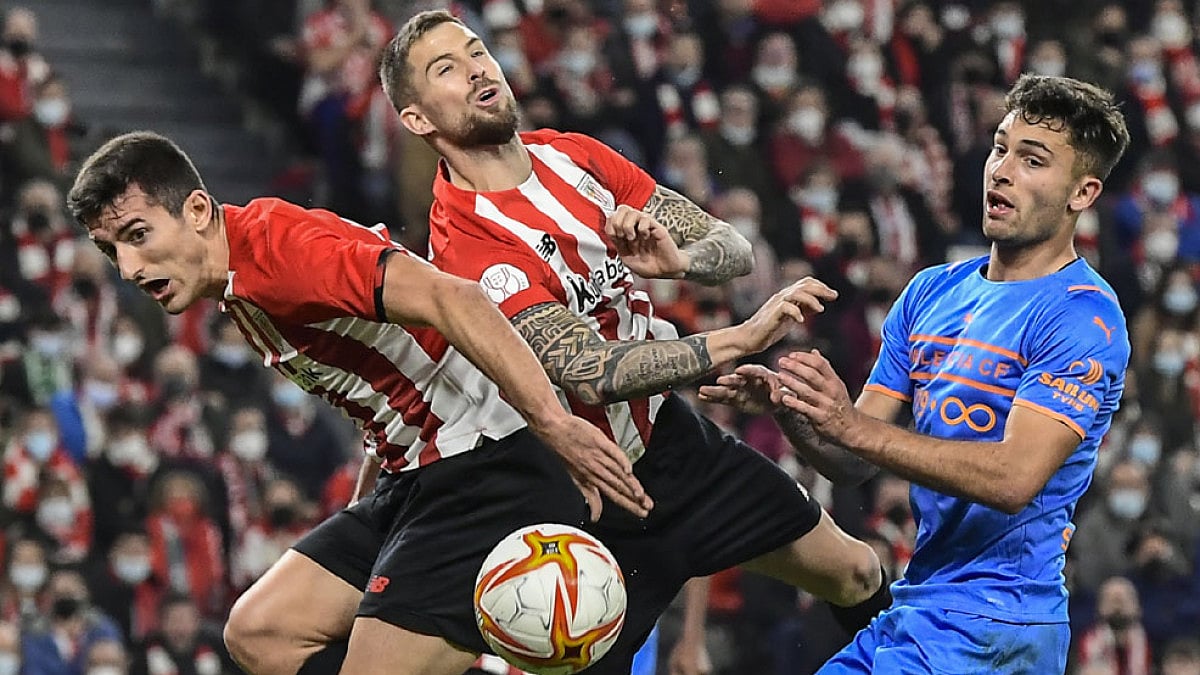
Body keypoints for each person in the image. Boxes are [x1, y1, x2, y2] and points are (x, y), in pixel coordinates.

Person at [375, 9, 888, 675]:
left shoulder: (574, 156)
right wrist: (737, 338)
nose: (476, 67)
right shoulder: (469, 247)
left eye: (476, 51)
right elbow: (589, 372)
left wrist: (678, 259)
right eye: (446, 68)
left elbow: (727, 246)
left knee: (856, 569)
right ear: (418, 119)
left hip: (675, 444)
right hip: (587, 494)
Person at [68, 130, 653, 674]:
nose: (128, 268)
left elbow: (455, 297)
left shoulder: (278, 255)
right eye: (110, 249)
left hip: (482, 463)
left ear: (196, 211)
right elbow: (380, 375)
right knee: (259, 633)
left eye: (137, 235)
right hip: (414, 474)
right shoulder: (235, 279)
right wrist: (365, 497)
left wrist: (556, 426)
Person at [701, 74, 1132, 673]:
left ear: (1082, 193)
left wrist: (850, 428)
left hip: (1001, 624)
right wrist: (797, 411)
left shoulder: (1083, 316)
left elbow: (1013, 479)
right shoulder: (932, 292)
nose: (1001, 170)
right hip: (917, 606)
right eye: (999, 147)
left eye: (1032, 160)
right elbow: (851, 462)